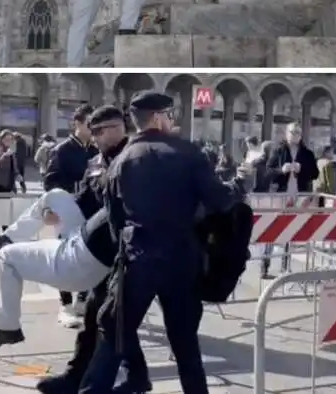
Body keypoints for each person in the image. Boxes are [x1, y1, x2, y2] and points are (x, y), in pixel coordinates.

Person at [79, 91, 237, 394]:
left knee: (115, 337)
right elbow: (220, 200)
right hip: (181, 263)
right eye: (170, 115)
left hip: (138, 262)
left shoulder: (120, 161)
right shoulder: (188, 153)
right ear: (158, 117)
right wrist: (242, 181)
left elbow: (114, 222)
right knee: (185, 346)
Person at [32, 105, 151, 394]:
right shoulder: (96, 162)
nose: (94, 137)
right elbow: (83, 201)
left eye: (100, 131)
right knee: (102, 317)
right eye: (92, 131)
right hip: (101, 251)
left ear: (119, 128)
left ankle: (93, 380)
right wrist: (58, 210)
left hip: (132, 253)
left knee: (106, 317)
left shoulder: (139, 158)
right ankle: (111, 376)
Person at [44, 104, 98, 328]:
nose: (93, 128)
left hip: (91, 212)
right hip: (67, 210)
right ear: (77, 123)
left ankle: (83, 300)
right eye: (89, 123)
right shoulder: (62, 150)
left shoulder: (95, 150)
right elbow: (50, 181)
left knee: (89, 257)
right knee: (65, 258)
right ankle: (65, 305)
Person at [260, 122, 318, 278]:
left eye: (298, 133)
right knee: (272, 230)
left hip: (298, 196)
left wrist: (302, 169)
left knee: (290, 231)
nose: (295, 135)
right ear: (286, 133)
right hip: (280, 195)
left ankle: (285, 267)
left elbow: (315, 173)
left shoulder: (307, 153)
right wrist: (281, 170)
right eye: (292, 132)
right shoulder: (278, 150)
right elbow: (268, 172)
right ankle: (264, 266)